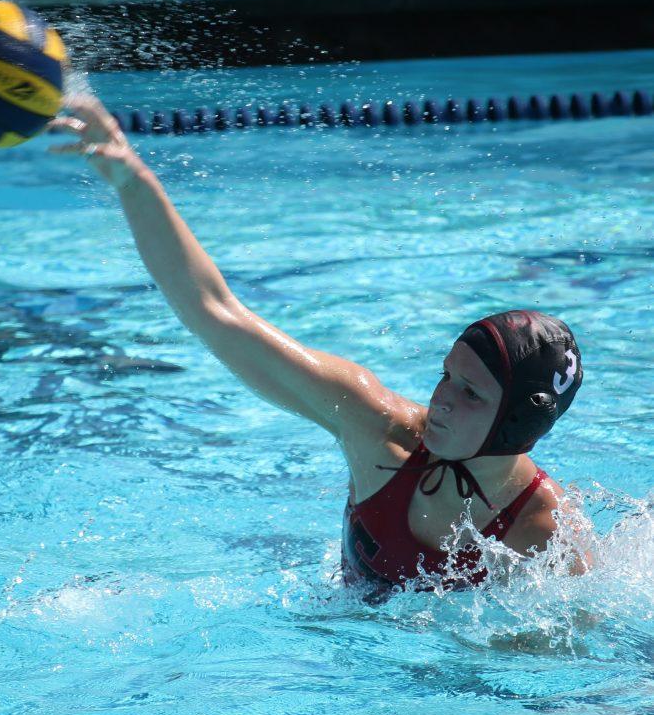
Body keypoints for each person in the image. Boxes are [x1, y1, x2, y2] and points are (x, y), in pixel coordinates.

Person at [49, 94, 592, 592]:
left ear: (517, 423)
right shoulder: (376, 428)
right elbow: (216, 314)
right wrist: (129, 176)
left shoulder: (543, 533)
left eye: (470, 393)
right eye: (447, 376)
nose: (441, 400)